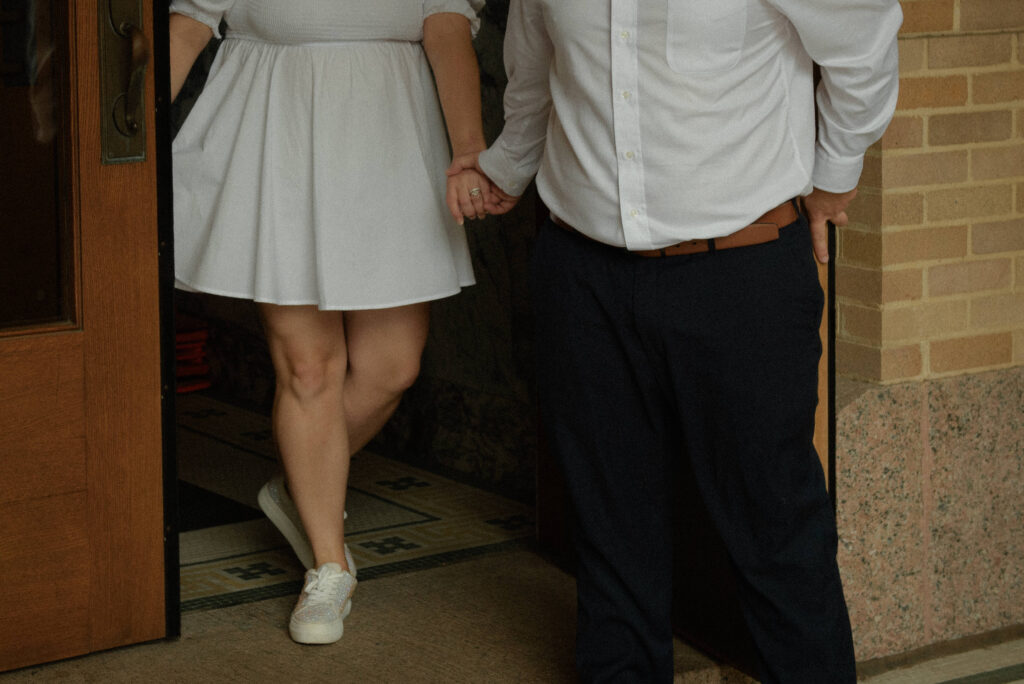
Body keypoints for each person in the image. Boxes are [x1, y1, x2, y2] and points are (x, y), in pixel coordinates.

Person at [448, 0, 901, 681]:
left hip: (740, 275)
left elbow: (864, 42)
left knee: (774, 530)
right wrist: (508, 165)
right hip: (583, 274)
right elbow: (535, 59)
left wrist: (834, 176)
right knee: (609, 532)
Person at [168, 0, 489, 645]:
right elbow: (189, 27)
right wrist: (123, 138)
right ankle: (329, 564)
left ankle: (301, 482)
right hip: (273, 130)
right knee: (310, 366)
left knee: (393, 365)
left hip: (391, 134)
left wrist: (470, 152)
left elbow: (447, 25)